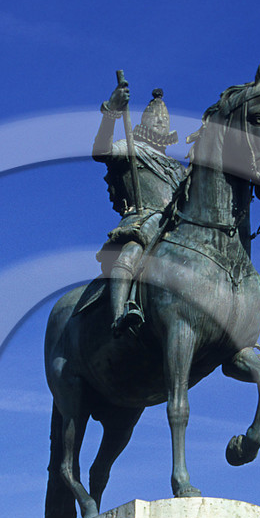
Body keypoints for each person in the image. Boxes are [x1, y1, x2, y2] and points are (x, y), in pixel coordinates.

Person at [91, 76, 185, 337]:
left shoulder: (178, 169)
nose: (161, 122)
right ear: (144, 121)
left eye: (165, 120)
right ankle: (119, 315)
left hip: (174, 228)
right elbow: (101, 150)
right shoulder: (131, 148)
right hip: (142, 222)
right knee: (131, 253)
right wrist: (112, 112)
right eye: (156, 119)